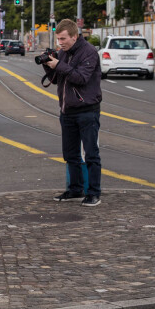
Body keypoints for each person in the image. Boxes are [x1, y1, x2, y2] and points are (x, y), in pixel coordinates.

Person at [41, 19, 103, 207]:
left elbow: (81, 78)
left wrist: (59, 64)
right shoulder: (63, 52)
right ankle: (76, 189)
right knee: (70, 154)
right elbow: (56, 79)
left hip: (87, 110)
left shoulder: (89, 52)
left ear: (74, 37)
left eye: (63, 39)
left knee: (91, 154)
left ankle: (94, 193)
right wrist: (48, 64)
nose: (60, 43)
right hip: (67, 110)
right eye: (58, 39)